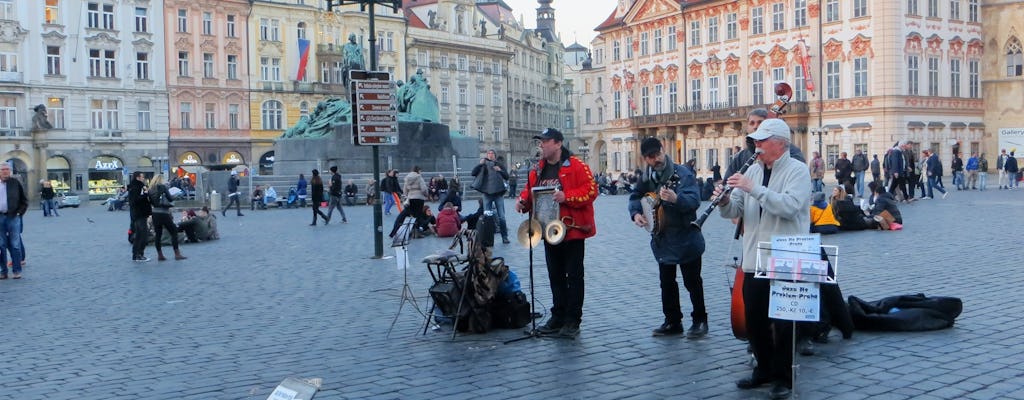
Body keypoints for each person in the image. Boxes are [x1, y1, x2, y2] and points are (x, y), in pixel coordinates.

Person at [714, 118, 810, 400]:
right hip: (754, 256)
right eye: (755, 140)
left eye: (762, 140)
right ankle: (763, 369)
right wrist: (723, 201)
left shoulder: (797, 171)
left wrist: (751, 188)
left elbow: (790, 207)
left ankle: (783, 377)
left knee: (783, 323)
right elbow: (736, 211)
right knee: (754, 319)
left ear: (780, 143)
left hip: (786, 255)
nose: (756, 145)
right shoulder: (753, 171)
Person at [515, 128, 598, 338]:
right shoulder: (537, 170)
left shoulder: (577, 165)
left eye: (546, 141)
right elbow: (529, 191)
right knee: (555, 276)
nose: (542, 145)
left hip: (572, 231)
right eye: (541, 142)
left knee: (574, 276)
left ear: (558, 143)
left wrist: (566, 196)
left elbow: (591, 190)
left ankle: (573, 320)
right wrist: (523, 201)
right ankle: (558, 315)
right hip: (547, 231)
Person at [628, 137, 707, 338]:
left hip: (686, 235)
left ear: (663, 150)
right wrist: (636, 213)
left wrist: (676, 199)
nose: (656, 159)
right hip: (662, 237)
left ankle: (700, 320)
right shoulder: (646, 177)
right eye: (651, 157)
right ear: (645, 158)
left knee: (692, 281)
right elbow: (636, 197)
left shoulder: (682, 173)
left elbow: (694, 201)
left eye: (658, 154)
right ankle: (672, 321)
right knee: (667, 282)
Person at [471, 149, 511, 244]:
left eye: (492, 153)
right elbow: (473, 173)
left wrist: (500, 170)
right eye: (488, 153)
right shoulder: (483, 164)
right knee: (486, 217)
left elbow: (507, 176)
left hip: (498, 193)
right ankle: (487, 237)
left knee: (501, 217)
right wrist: (480, 164)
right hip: (487, 193)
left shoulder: (499, 164)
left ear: (495, 155)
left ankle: (504, 237)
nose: (490, 155)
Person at [148, 175, 186, 261]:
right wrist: (175, 196)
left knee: (158, 234)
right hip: (163, 212)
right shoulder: (162, 187)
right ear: (160, 180)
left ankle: (160, 255)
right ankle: (177, 254)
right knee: (173, 231)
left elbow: (150, 202)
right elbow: (170, 198)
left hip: (155, 213)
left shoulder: (150, 189)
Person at [389, 166, 427, 238]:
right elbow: (424, 189)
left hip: (411, 199)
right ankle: (416, 233)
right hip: (419, 199)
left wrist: (408, 195)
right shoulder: (419, 178)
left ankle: (394, 231)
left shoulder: (407, 178)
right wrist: (426, 194)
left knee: (402, 215)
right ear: (418, 171)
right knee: (418, 216)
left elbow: (405, 191)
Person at [127, 171, 152, 263]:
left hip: (137, 214)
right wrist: (145, 194)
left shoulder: (136, 186)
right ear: (138, 177)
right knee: (142, 235)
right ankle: (139, 254)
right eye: (142, 177)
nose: (143, 178)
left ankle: (136, 254)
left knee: (139, 235)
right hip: (139, 213)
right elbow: (135, 200)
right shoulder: (136, 187)